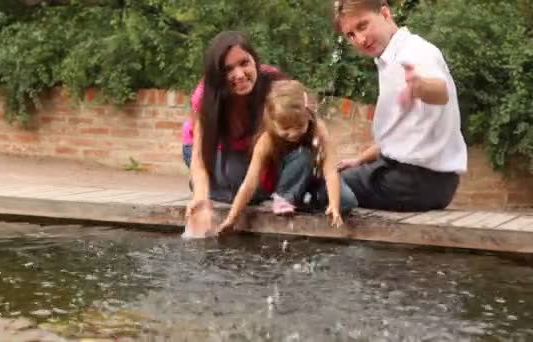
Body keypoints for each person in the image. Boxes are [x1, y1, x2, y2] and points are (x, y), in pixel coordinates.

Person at [332, 0, 468, 212]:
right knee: (333, 181)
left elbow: (441, 92)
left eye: (362, 26)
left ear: (385, 13)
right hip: (424, 181)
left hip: (414, 182)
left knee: (324, 187)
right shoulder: (389, 59)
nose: (360, 39)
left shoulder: (415, 52)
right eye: (350, 35)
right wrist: (359, 160)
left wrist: (421, 86)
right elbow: (398, 139)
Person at [182, 31, 315, 238]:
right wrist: (201, 198)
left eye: (244, 63)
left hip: (252, 154)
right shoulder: (205, 96)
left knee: (271, 176)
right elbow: (200, 157)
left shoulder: (274, 85)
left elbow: (301, 129)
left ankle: (231, 188)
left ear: (255, 60)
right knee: (246, 187)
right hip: (211, 152)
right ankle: (213, 187)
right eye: (228, 69)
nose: (239, 74)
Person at [216, 80, 359, 233]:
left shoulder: (318, 130)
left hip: (315, 178)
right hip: (287, 179)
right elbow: (249, 182)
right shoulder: (267, 140)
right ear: (272, 122)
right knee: (304, 154)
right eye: (285, 129)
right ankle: (284, 198)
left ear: (307, 115)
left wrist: (334, 206)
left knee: (347, 202)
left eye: (299, 126)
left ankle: (311, 202)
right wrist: (232, 218)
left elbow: (331, 172)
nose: (293, 133)